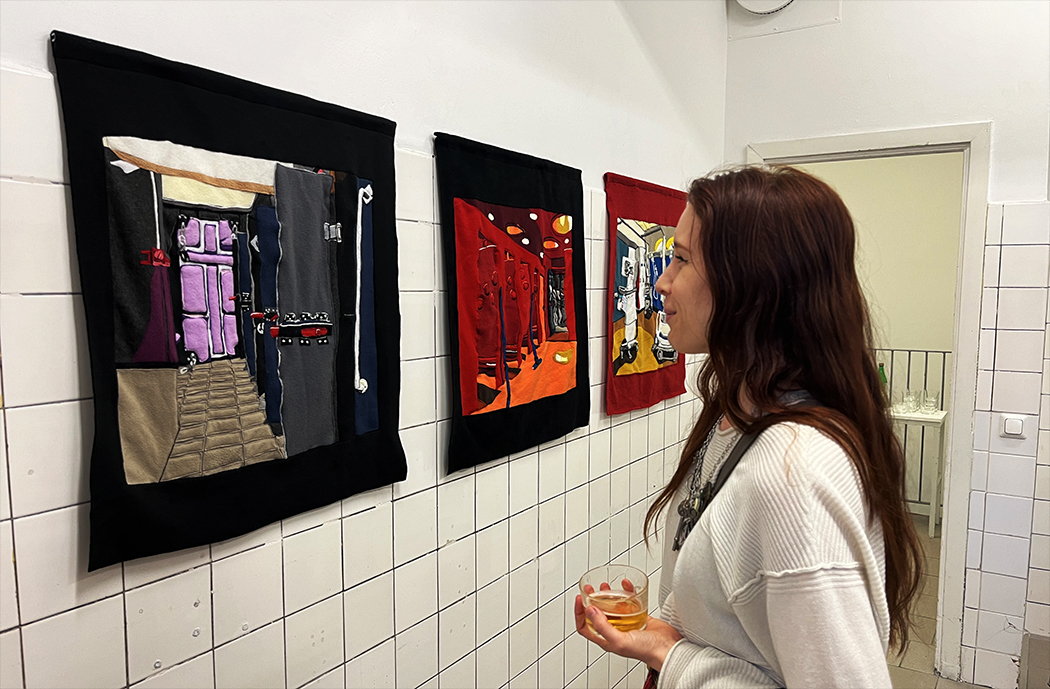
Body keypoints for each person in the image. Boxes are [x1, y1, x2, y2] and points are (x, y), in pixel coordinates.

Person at [574, 166, 923, 687]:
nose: (662, 282)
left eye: (681, 259)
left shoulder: (793, 473)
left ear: (751, 286)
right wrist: (664, 632)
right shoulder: (740, 414)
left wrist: (674, 656)